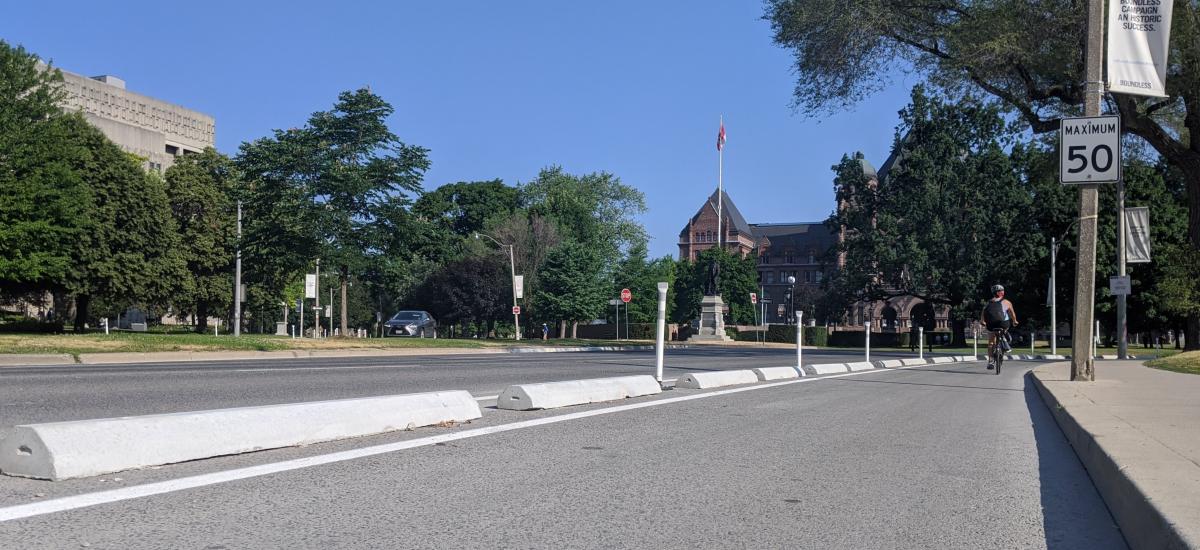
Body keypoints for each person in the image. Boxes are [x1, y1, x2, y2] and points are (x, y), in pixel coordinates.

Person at [980, 284, 1018, 369]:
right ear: (1001, 293)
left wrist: (983, 322)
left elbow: (983, 314)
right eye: (1002, 290)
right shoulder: (1007, 302)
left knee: (991, 342)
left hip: (991, 325)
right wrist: (1015, 321)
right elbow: (1012, 314)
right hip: (1003, 324)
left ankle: (991, 361)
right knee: (1005, 326)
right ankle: (1004, 337)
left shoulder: (988, 303)